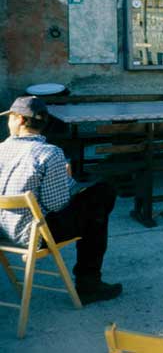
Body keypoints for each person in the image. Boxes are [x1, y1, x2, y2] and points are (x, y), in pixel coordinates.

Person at [0, 96, 122, 304]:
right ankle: (88, 283)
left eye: (9, 117)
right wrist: (66, 180)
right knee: (100, 197)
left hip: (2, 232)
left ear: (19, 119)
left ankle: (89, 283)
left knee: (95, 201)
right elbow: (57, 204)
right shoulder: (50, 154)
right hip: (30, 236)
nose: (8, 121)